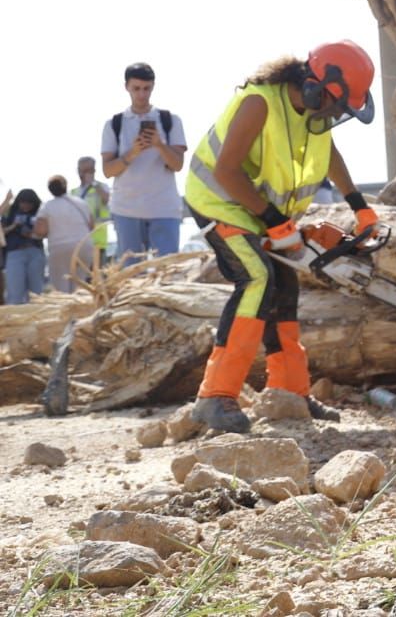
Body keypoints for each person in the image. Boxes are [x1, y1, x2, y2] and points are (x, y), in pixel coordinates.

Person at [184, 40, 380, 434]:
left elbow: (329, 155)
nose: (334, 115)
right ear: (314, 86)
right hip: (220, 203)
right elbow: (226, 172)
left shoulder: (313, 114)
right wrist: (274, 220)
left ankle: (289, 393)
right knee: (257, 278)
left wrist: (359, 205)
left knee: (285, 285)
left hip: (261, 214)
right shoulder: (259, 103)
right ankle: (214, 396)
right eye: (336, 105)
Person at [101, 62, 187, 264]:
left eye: (146, 88)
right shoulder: (114, 124)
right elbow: (107, 170)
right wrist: (133, 152)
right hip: (126, 210)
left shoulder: (170, 120)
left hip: (164, 208)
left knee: (166, 273)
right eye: (136, 88)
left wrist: (159, 145)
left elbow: (177, 165)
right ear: (127, 87)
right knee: (131, 277)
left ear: (153, 86)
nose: (141, 94)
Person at [35, 175, 95, 292]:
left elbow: (40, 231)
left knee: (61, 288)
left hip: (59, 248)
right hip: (84, 246)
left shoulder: (47, 206)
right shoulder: (81, 203)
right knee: (80, 286)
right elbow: (92, 226)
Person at [2, 188, 47, 304]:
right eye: (23, 202)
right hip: (15, 253)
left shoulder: (40, 212)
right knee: (14, 293)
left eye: (29, 203)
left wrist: (33, 233)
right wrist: (14, 226)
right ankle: (13, 320)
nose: (26, 206)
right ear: (18, 201)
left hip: (35, 252)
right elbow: (2, 230)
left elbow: (46, 232)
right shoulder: (10, 211)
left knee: (36, 293)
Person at [73, 156, 112, 267]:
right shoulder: (73, 192)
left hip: (98, 244)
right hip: (79, 244)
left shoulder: (102, 187)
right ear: (78, 171)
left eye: (90, 170)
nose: (87, 174)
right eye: (84, 170)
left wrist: (94, 184)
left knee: (97, 279)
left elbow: (107, 199)